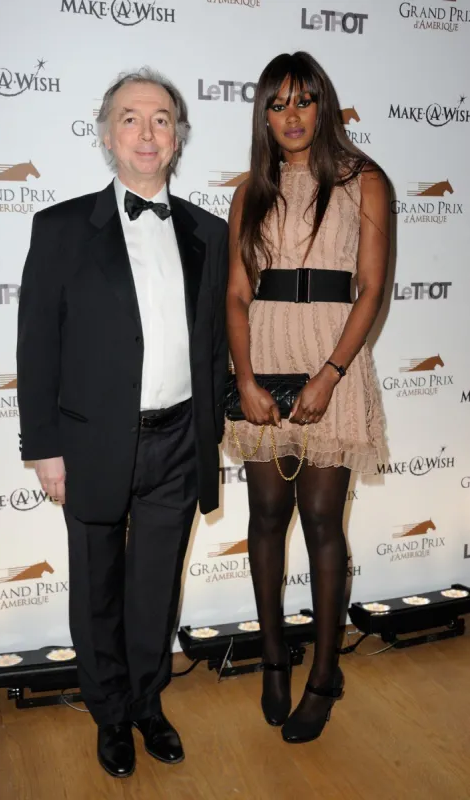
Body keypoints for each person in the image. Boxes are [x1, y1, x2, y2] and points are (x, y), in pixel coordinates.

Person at [16, 68, 228, 778]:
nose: (147, 132)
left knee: (154, 587)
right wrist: (44, 448)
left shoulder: (208, 231)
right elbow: (36, 344)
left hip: (178, 440)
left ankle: (145, 702)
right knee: (96, 584)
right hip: (90, 441)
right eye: (131, 118)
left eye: (162, 119)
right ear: (106, 134)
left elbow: (216, 342)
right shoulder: (62, 227)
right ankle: (107, 714)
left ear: (178, 137)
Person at [225, 51, 389, 743]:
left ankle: (324, 674)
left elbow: (370, 290)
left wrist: (328, 374)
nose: (289, 117)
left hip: (332, 358)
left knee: (322, 520)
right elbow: (235, 293)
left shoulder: (363, 181)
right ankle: (271, 658)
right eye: (275, 103)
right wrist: (244, 377)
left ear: (323, 105)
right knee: (265, 513)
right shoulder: (247, 190)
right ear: (263, 114)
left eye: (301, 101)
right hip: (262, 355)